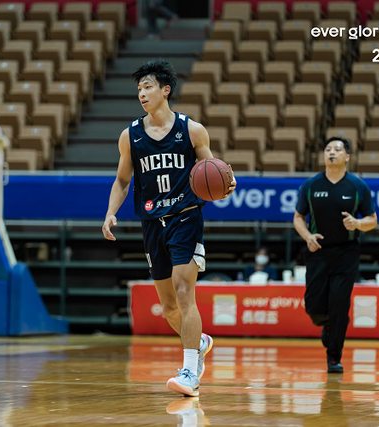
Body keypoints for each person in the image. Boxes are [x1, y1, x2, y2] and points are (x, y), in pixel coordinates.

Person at [102, 60, 236, 396]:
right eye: (139, 89)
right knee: (169, 308)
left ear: (165, 90)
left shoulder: (192, 130)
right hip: (152, 222)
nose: (142, 93)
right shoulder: (130, 136)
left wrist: (225, 184)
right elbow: (122, 181)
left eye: (148, 87)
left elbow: (212, 169)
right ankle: (199, 342)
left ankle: (190, 371)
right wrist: (110, 213)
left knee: (183, 289)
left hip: (185, 217)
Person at [293, 136, 377, 374]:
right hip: (317, 252)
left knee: (339, 306)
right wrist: (308, 236)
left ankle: (334, 358)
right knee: (314, 308)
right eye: (328, 149)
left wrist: (357, 224)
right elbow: (298, 217)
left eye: (337, 149)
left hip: (346, 253)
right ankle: (327, 326)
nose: (331, 152)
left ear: (347, 157)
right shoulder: (311, 185)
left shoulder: (357, 186)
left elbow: (372, 220)